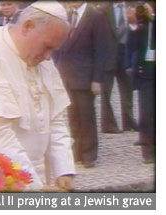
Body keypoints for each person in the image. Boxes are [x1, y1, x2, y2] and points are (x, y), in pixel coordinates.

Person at [0, 1, 75, 191]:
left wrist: (63, 170)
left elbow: (56, 118)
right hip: (0, 181)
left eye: (53, 50)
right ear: (27, 27)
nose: (49, 57)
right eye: (47, 46)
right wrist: (35, 187)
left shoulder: (41, 60)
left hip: (38, 178)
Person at [54, 2, 107, 168]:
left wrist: (97, 79)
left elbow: (101, 49)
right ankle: (77, 152)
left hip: (85, 75)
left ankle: (89, 154)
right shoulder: (68, 16)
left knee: (87, 116)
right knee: (73, 117)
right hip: (67, 75)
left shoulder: (96, 16)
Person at [98, 1, 138, 133]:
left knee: (127, 91)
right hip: (108, 55)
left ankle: (129, 122)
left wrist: (133, 23)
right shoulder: (103, 9)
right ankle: (108, 124)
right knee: (106, 93)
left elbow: (138, 31)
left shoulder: (133, 7)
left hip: (126, 55)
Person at [125, 3, 155, 163]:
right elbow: (131, 46)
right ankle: (148, 151)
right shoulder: (143, 22)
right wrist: (133, 25)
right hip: (145, 73)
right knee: (146, 113)